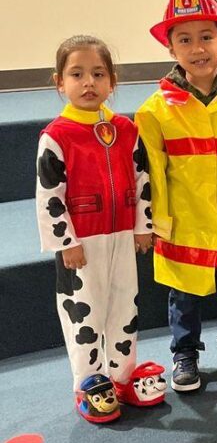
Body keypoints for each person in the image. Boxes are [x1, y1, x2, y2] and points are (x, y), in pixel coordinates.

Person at [136, 0, 217, 392]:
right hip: (183, 224)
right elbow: (151, 173)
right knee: (183, 297)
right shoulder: (155, 111)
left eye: (207, 37)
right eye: (184, 40)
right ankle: (185, 354)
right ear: (171, 50)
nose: (197, 48)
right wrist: (156, 222)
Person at [36, 35, 166, 422]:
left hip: (122, 236)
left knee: (124, 305)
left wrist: (144, 226)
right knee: (85, 314)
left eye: (98, 74)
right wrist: (66, 242)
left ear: (113, 82)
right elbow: (48, 194)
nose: (88, 82)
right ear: (60, 82)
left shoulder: (125, 129)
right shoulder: (56, 136)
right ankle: (88, 381)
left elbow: (141, 179)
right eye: (77, 74)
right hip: (82, 244)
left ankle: (122, 376)